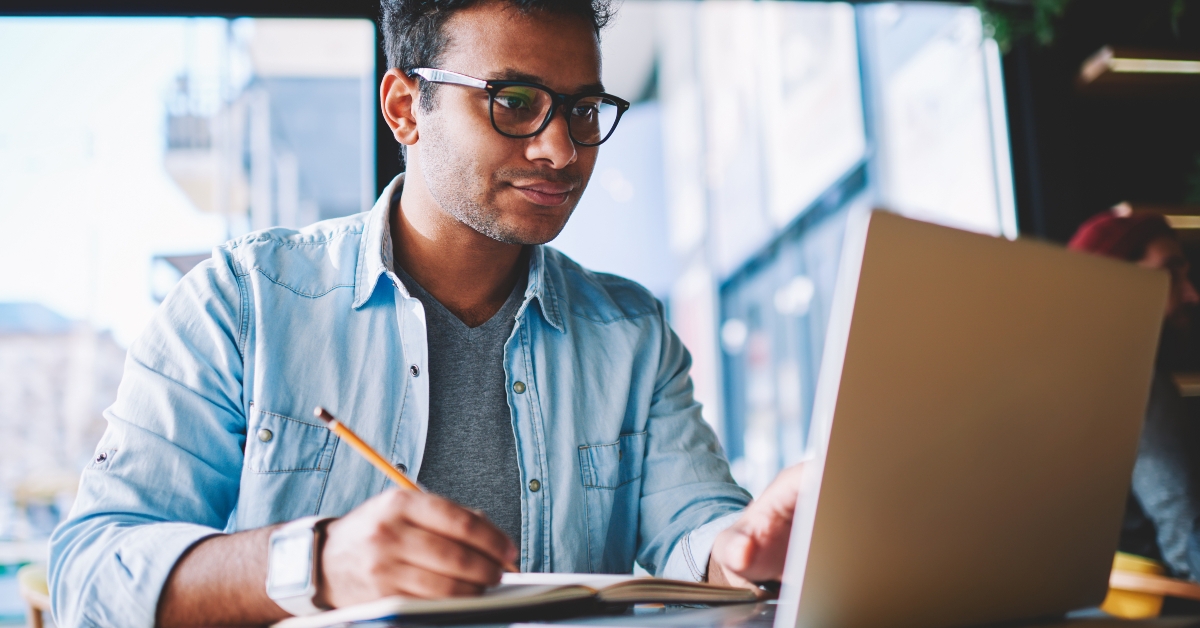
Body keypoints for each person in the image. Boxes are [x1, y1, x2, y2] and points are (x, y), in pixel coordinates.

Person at [48, 1, 805, 626]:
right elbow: (88, 577)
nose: (561, 150)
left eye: (583, 109)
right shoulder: (240, 303)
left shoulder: (632, 333)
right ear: (406, 108)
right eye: (514, 103)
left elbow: (698, 529)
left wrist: (746, 544)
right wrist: (317, 564)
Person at [1069, 207, 1200, 580]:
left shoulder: (1073, 377)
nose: (1191, 295)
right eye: (1169, 273)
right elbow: (1185, 537)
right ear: (1114, 282)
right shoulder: (1131, 377)